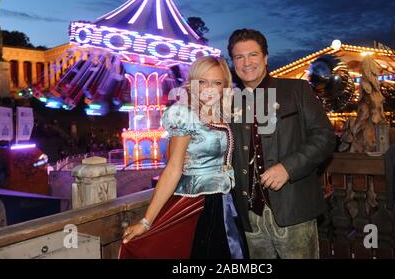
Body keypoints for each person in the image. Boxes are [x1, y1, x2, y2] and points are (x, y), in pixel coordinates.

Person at [119, 56, 246, 259]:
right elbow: (173, 169)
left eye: (217, 83)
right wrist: (146, 221)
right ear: (192, 84)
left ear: (225, 87)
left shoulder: (226, 115)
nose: (209, 88)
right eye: (202, 81)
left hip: (227, 201)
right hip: (199, 203)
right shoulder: (184, 115)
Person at [228, 29, 336, 259]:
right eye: (239, 57)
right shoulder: (229, 103)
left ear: (266, 57)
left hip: (294, 210)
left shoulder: (297, 90)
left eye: (253, 55)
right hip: (249, 217)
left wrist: (289, 167)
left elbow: (325, 137)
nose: (246, 62)